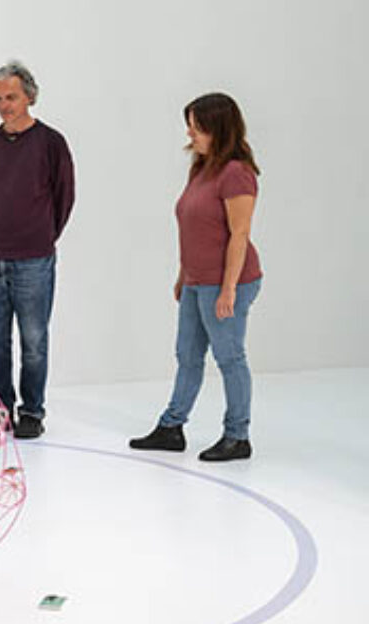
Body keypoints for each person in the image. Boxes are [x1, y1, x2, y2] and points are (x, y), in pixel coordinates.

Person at [130, 92, 262, 462]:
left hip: (227, 281)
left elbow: (239, 234)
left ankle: (237, 436)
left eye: (197, 127)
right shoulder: (203, 169)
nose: (190, 134)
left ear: (218, 129)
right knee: (187, 355)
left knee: (229, 357)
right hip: (196, 281)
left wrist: (229, 289)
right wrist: (183, 274)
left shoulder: (236, 173)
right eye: (189, 126)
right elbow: (194, 229)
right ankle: (171, 428)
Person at [0, 61, 75, 439]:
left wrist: (41, 235)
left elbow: (64, 196)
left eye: (11, 97)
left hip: (33, 257)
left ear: (29, 97)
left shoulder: (51, 143)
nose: (4, 106)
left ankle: (32, 412)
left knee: (34, 341)